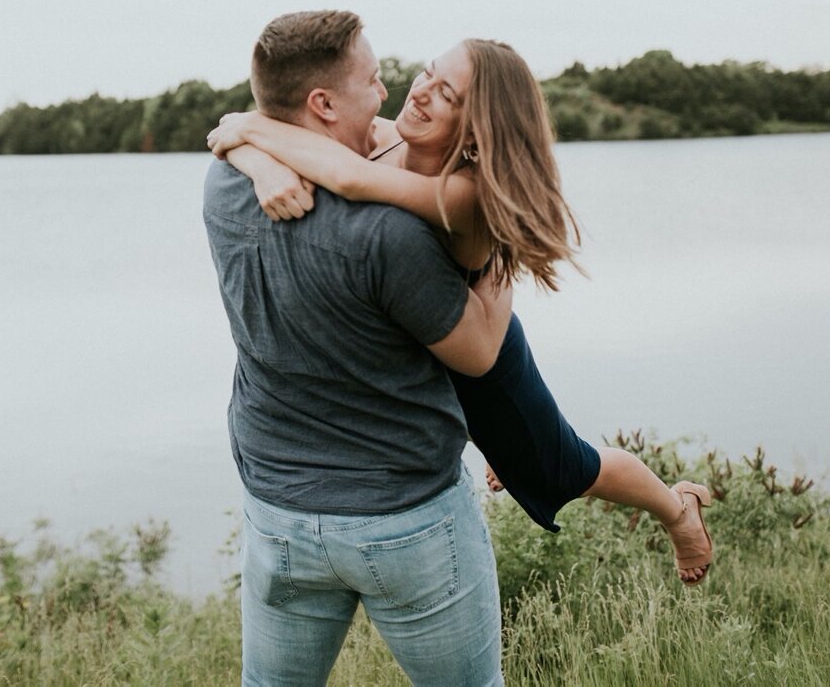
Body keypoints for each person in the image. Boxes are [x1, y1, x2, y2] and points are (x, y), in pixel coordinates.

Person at [208, 37, 715, 585]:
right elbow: (248, 133)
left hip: (481, 358)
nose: (420, 91)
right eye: (428, 72)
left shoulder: (463, 194)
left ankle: (677, 510)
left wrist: (250, 132)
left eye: (445, 93)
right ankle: (499, 445)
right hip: (416, 343)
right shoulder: (381, 138)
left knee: (568, 468)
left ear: (476, 129)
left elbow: (347, 177)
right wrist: (258, 160)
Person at [203, 11, 515, 686]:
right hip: (405, 519)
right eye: (372, 82)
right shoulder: (389, 233)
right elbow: (480, 354)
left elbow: (253, 136)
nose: (386, 96)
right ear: (322, 103)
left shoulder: (225, 184)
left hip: (278, 513)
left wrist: (250, 141)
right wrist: (501, 247)